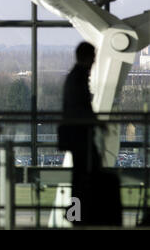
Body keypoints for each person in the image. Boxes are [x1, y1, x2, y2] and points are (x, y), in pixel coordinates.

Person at [61, 42, 122, 227]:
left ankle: (77, 213)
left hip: (76, 135)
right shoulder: (79, 78)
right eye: (93, 56)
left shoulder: (74, 77)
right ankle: (80, 213)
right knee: (86, 174)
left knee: (79, 177)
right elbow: (82, 107)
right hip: (81, 136)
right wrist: (97, 123)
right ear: (87, 57)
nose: (96, 60)